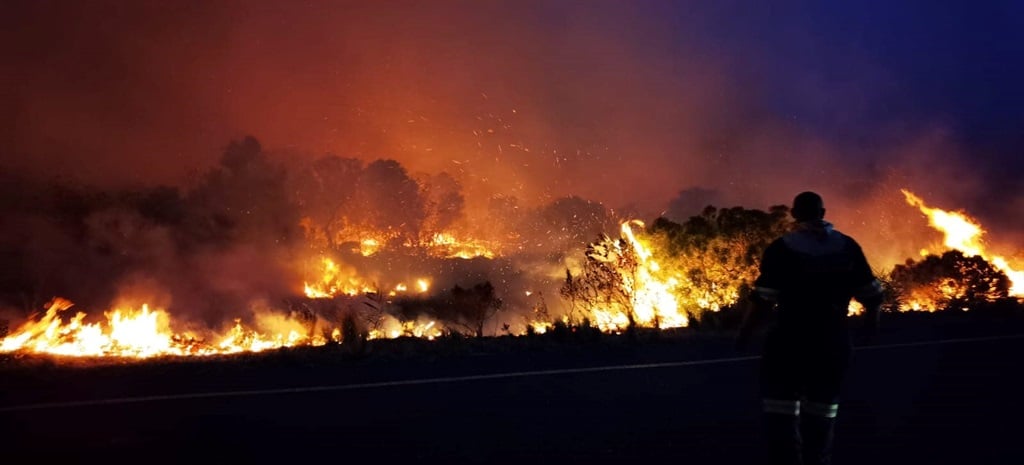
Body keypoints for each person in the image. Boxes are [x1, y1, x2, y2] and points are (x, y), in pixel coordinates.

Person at [737, 191, 883, 465]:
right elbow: (873, 296)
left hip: (789, 343)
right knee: (822, 413)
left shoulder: (782, 249)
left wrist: (744, 335)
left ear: (793, 214)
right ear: (823, 213)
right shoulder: (847, 247)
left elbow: (762, 301)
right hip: (832, 343)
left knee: (781, 413)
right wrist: (869, 331)